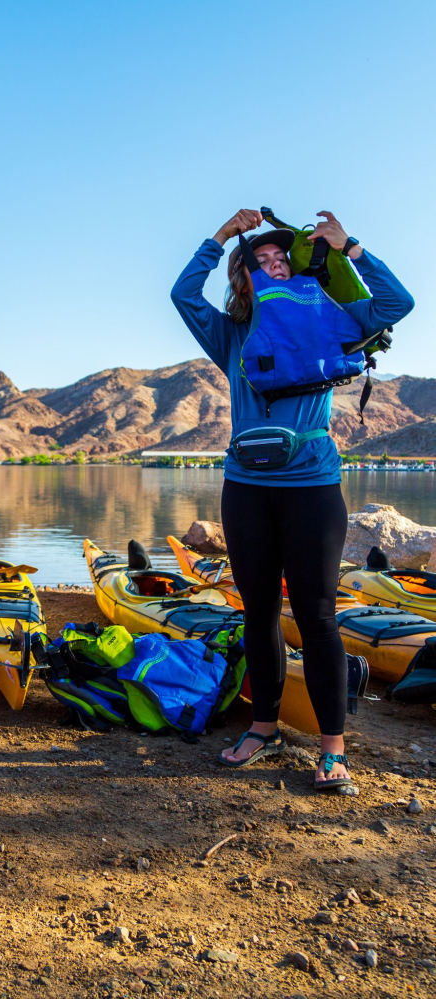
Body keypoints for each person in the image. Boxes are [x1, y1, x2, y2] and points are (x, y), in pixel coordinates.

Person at [171, 209, 414, 791]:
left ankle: (333, 750)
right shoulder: (232, 335)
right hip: (247, 492)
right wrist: (224, 235)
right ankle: (263, 727)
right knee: (257, 614)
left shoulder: (328, 322)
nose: (273, 264)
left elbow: (395, 304)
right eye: (261, 262)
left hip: (312, 491)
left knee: (319, 617)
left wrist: (349, 247)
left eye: (282, 258)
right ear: (245, 279)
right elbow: (182, 294)